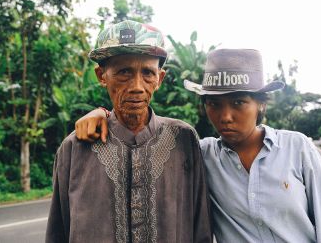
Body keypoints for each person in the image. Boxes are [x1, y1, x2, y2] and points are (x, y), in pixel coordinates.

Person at [76, 49, 321, 242]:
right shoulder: (200, 153)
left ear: (261, 103)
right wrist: (103, 113)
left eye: (238, 103)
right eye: (214, 103)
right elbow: (143, 127)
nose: (225, 116)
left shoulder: (297, 149)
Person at [46, 20, 212, 243]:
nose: (137, 85)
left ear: (159, 79)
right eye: (124, 72)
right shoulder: (74, 148)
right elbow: (58, 232)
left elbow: (201, 228)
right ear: (102, 76)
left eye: (147, 73)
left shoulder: (183, 139)